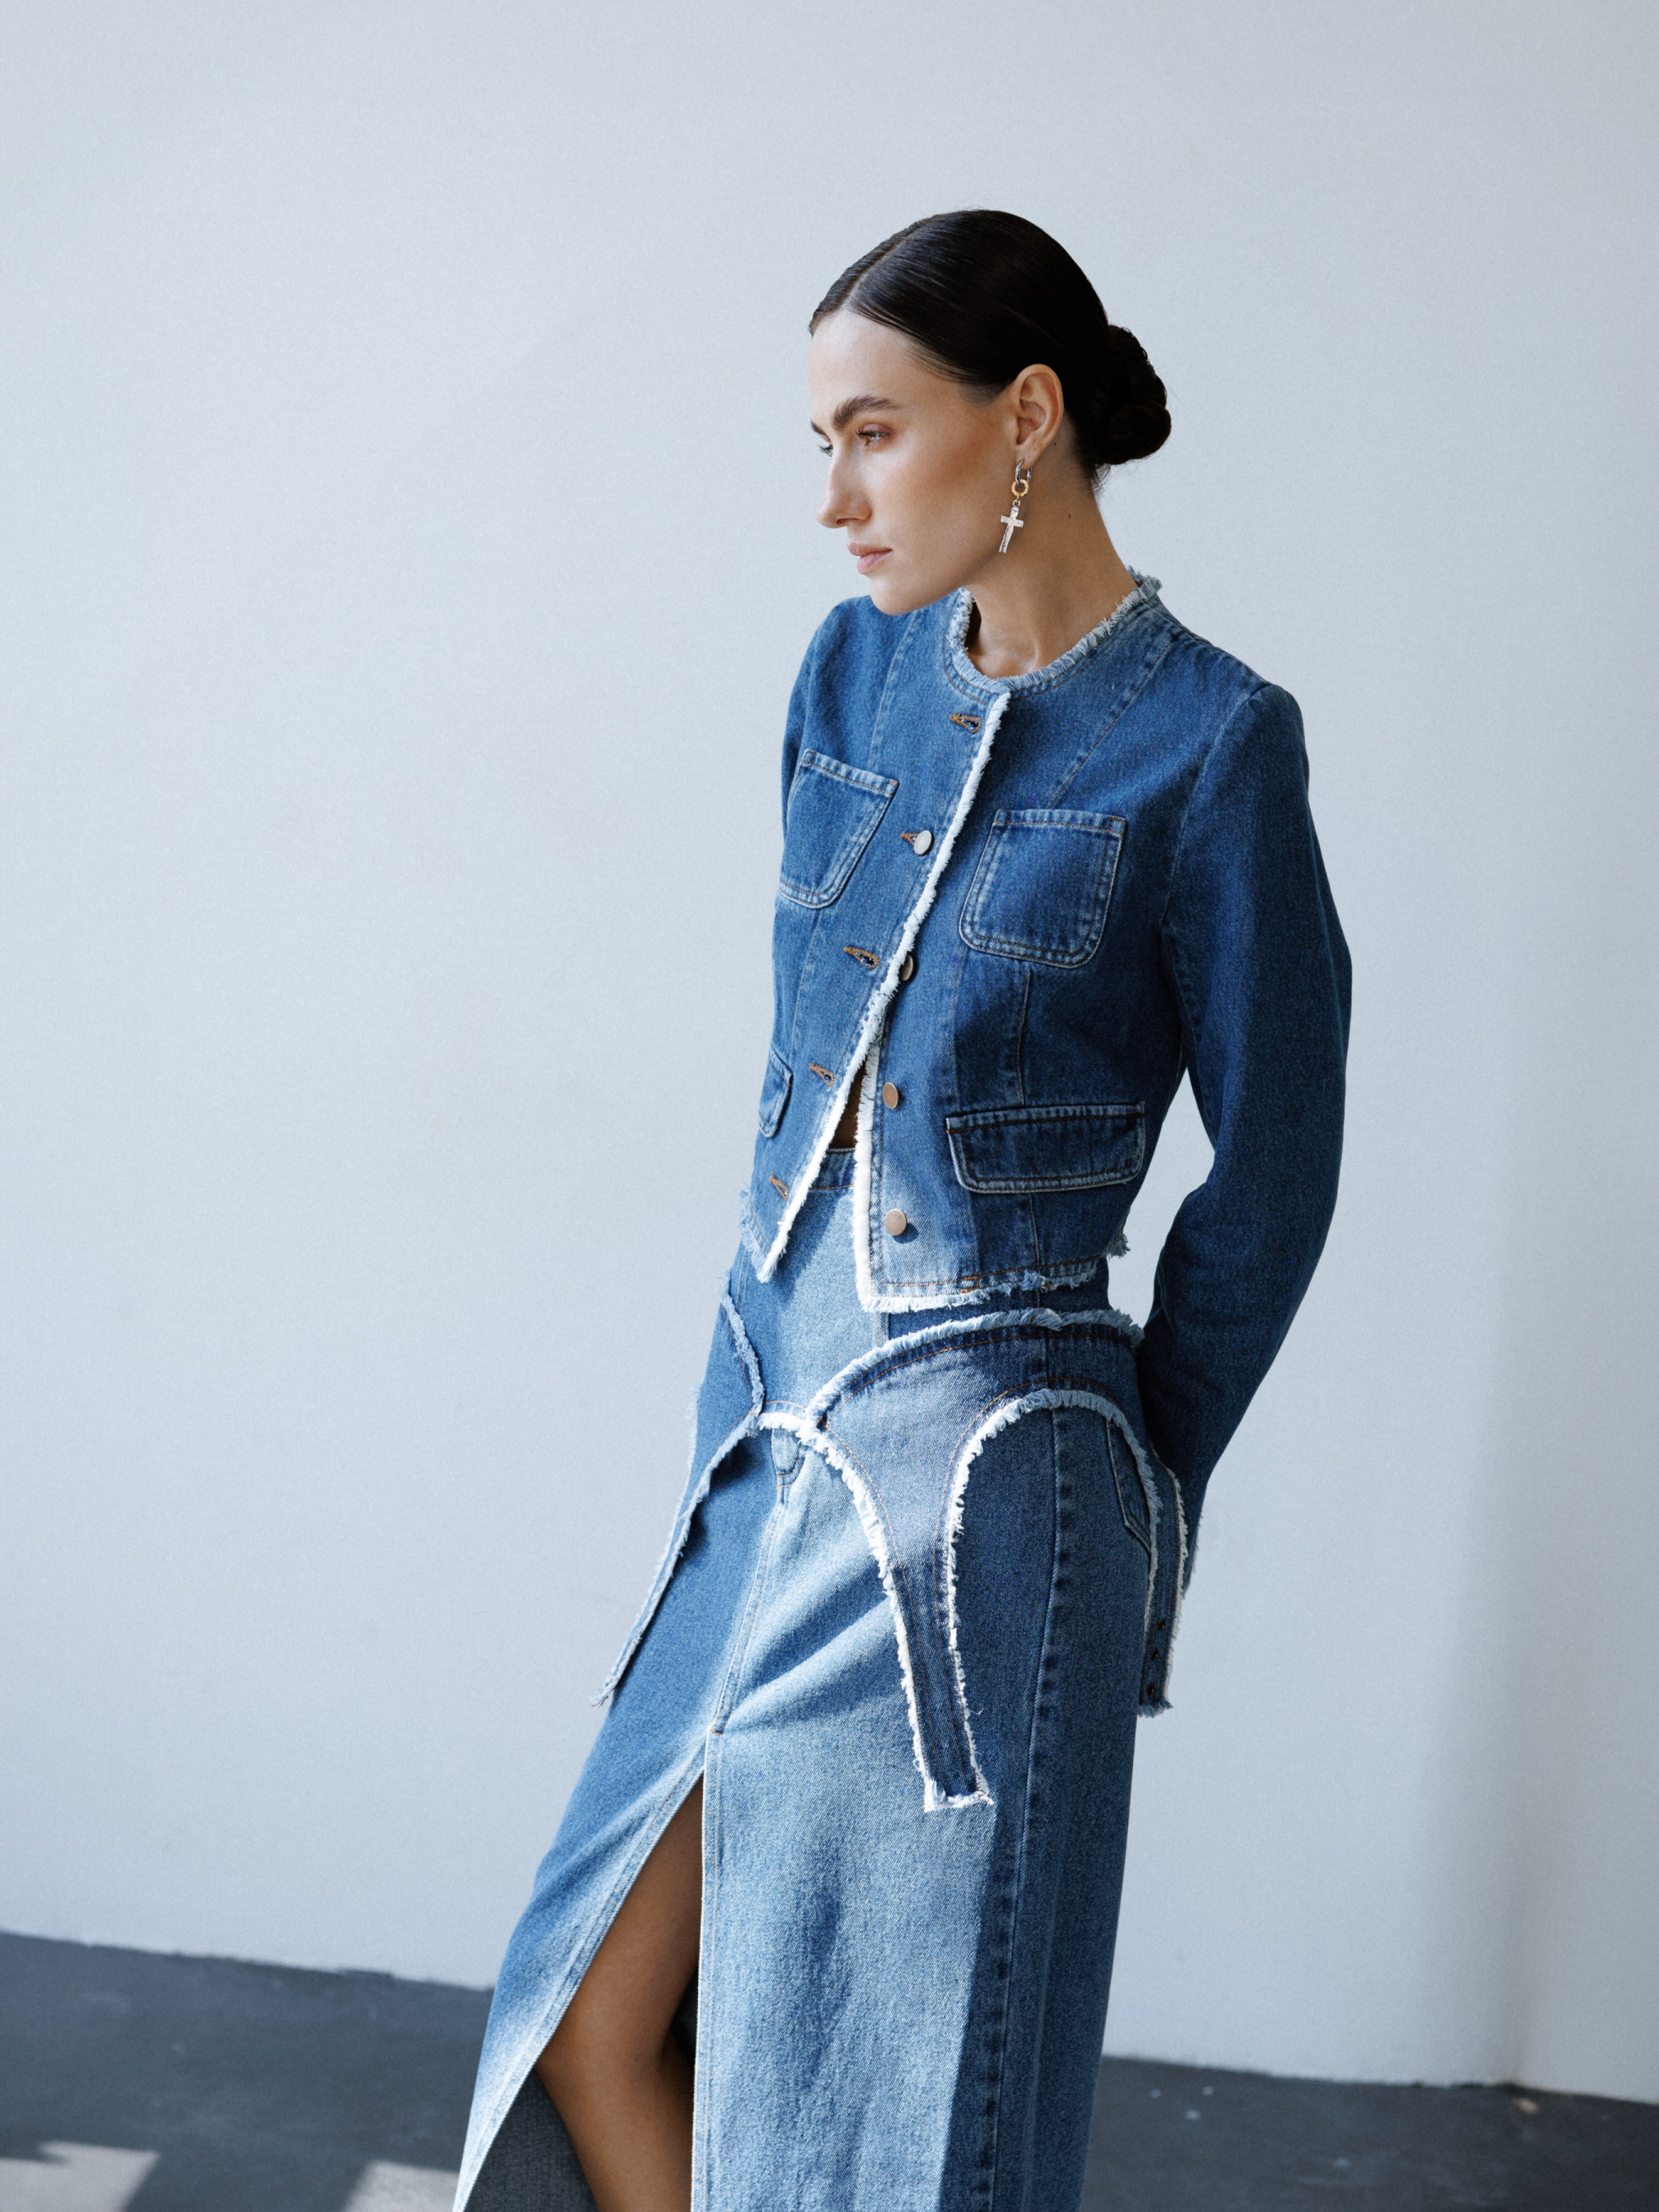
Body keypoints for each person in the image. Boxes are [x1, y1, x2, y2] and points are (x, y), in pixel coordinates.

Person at [456, 209, 1350, 2212]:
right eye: (821, 442)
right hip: (769, 1446)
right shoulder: (850, 675)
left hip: (987, 1507)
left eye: (872, 432)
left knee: (888, 2123)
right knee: (590, 2020)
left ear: (1022, 417)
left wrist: (1127, 1468)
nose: (834, 498)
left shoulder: (1212, 748)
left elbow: (1277, 1164)